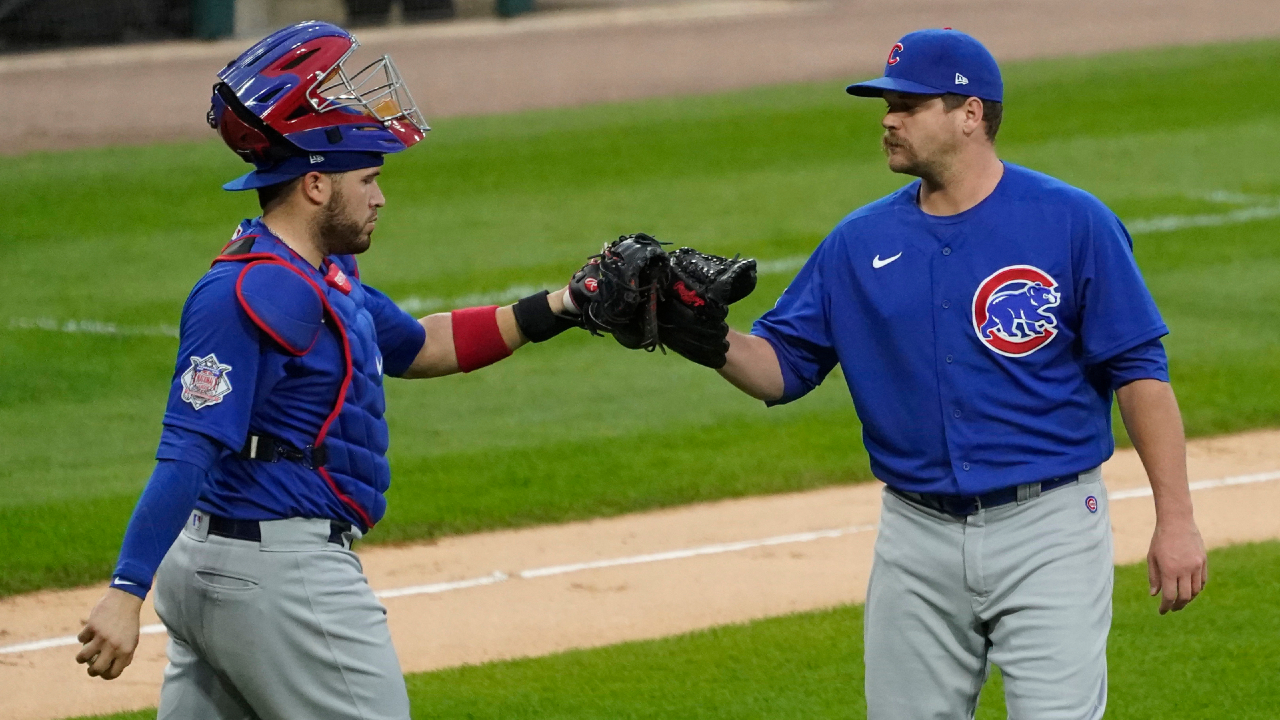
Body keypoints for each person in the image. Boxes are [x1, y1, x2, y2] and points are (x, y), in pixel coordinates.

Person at [696, 28, 1208, 719]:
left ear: (971, 113)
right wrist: (699, 335)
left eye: (908, 104)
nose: (887, 119)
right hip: (915, 535)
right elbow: (782, 368)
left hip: (1049, 528)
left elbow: (1140, 372)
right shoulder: (858, 242)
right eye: (886, 104)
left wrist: (1176, 521)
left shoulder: (1071, 221)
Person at [74, 21, 580, 718]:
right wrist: (126, 591)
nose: (379, 197)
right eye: (367, 179)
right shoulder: (252, 290)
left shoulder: (319, 277)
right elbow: (188, 444)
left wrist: (565, 305)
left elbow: (419, 346)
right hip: (279, 577)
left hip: (224, 570)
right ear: (315, 185)